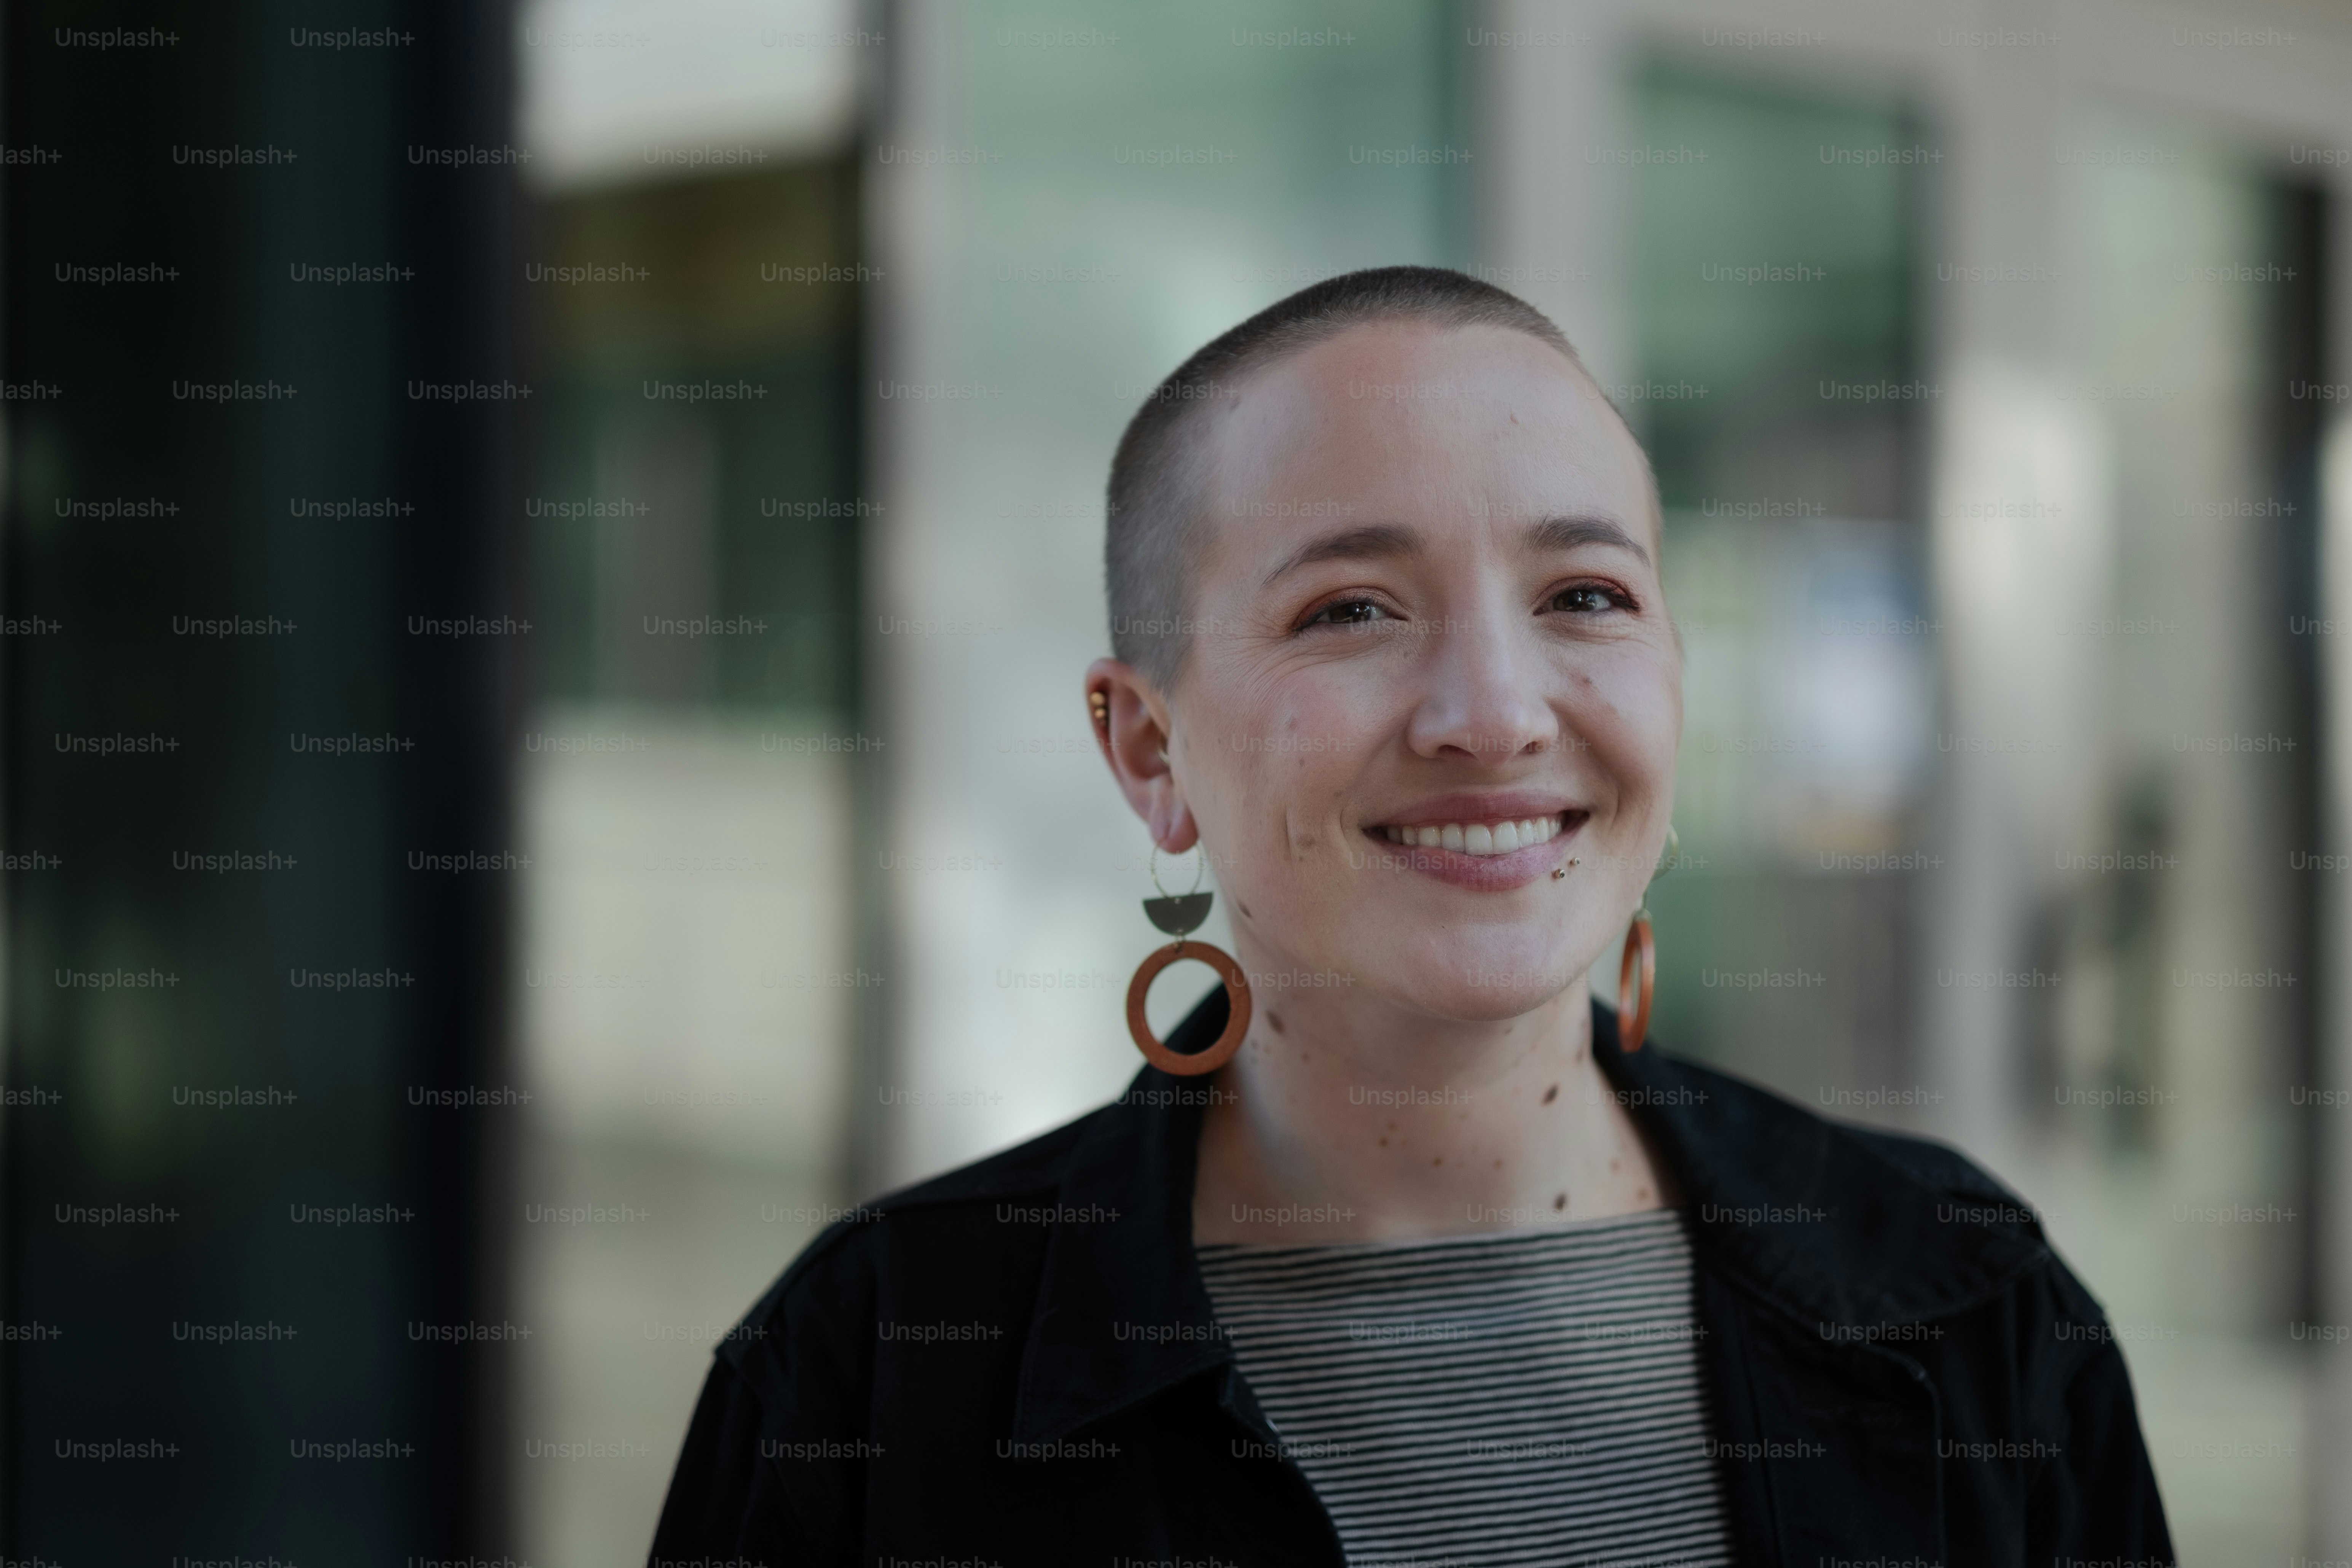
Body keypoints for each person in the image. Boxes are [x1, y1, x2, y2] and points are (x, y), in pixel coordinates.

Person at [650, 266, 2172, 1566]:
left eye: (1583, 594)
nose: (1496, 714)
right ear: (1149, 751)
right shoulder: (868, 1383)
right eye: (1351, 610)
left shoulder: (1972, 1303)